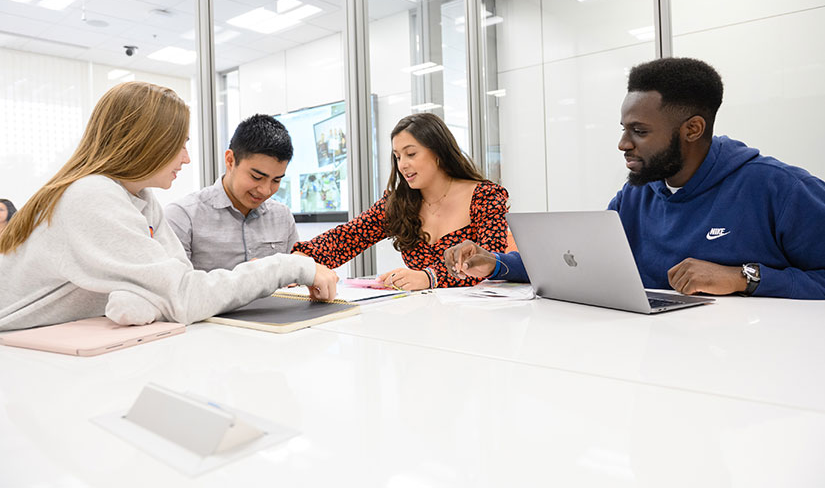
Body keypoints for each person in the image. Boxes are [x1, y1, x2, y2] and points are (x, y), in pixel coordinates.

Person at [445, 57, 825, 299]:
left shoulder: (780, 188)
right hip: (652, 356)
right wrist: (496, 264)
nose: (623, 144)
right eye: (624, 129)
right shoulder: (635, 195)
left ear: (692, 129)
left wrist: (744, 277)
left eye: (640, 131)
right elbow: (582, 263)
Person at [0, 82, 338, 332]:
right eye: (180, 145)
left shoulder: (141, 200)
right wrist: (291, 266)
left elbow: (173, 287)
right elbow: (185, 297)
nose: (186, 158)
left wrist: (150, 297)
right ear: (146, 142)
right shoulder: (91, 195)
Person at [293, 112, 510, 290]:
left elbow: (490, 260)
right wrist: (299, 261)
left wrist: (430, 277)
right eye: (397, 157)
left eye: (411, 154)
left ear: (438, 153)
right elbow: (349, 237)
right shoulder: (399, 203)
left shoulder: (485, 196)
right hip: (420, 319)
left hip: (477, 319)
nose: (402, 164)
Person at [165, 114, 299, 272]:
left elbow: (294, 280)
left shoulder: (282, 216)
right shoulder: (182, 216)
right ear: (230, 160)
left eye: (276, 180)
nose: (265, 190)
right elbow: (176, 289)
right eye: (256, 177)